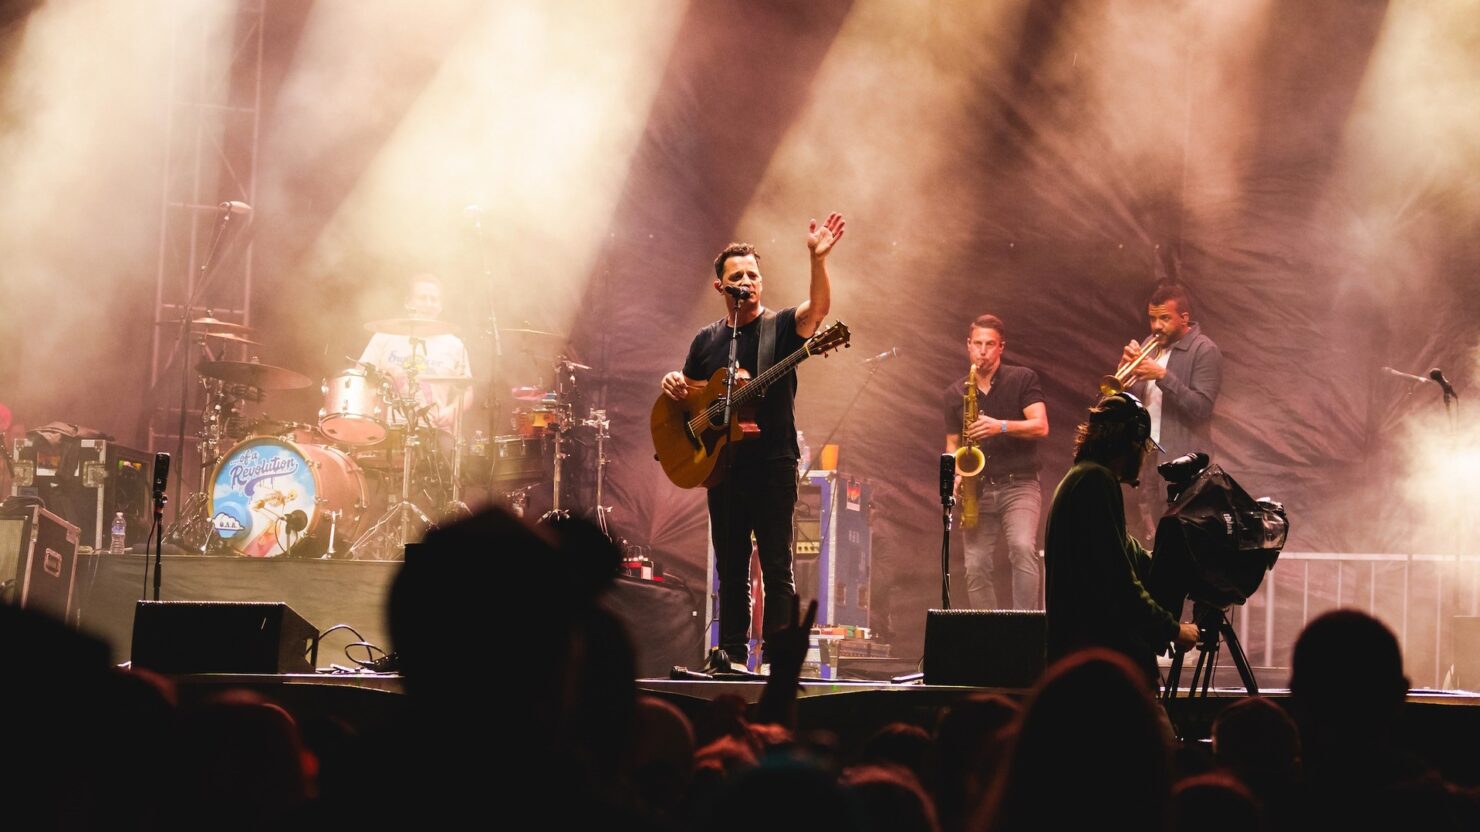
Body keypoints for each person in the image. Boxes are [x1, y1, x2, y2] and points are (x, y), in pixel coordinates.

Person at [660, 213, 846, 668]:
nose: (747, 280)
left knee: (778, 568)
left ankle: (780, 662)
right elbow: (689, 397)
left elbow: (817, 311)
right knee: (730, 568)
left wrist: (817, 260)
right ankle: (734, 654)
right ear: (721, 287)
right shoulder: (707, 339)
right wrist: (673, 383)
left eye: (753, 275)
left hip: (773, 463)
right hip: (723, 466)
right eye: (737, 275)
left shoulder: (780, 327)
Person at [1043, 393, 1200, 683]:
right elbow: (1119, 580)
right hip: (1098, 666)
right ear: (1131, 441)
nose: (1143, 456)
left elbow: (1129, 552)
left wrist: (1177, 563)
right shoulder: (1096, 481)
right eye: (1143, 447)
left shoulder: (1081, 478)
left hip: (1079, 658)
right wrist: (1174, 630)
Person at [942, 314, 1049, 609]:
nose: (983, 351)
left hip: (1020, 484)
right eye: (977, 344)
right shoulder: (955, 393)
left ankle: (1023, 629)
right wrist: (955, 477)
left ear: (1002, 347)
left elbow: (1040, 426)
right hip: (978, 488)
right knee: (975, 566)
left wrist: (1000, 426)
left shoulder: (1023, 378)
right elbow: (952, 444)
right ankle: (990, 637)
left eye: (990, 344)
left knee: (1022, 547)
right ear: (968, 346)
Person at [1119, 282, 1222, 539]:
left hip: (1183, 460)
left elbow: (1201, 409)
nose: (1156, 326)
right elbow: (1131, 399)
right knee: (1152, 535)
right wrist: (1123, 371)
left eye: (1164, 318)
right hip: (1149, 457)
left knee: (1183, 536)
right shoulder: (1150, 346)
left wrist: (1162, 376)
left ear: (1184, 318)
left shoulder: (1204, 350)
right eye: (1152, 318)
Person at [358, 273, 471, 433]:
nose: (429, 304)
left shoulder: (454, 345)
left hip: (434, 431)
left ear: (441, 306)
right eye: (422, 298)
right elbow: (360, 377)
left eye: (434, 299)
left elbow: (467, 390)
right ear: (408, 302)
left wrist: (452, 410)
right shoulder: (384, 336)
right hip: (386, 428)